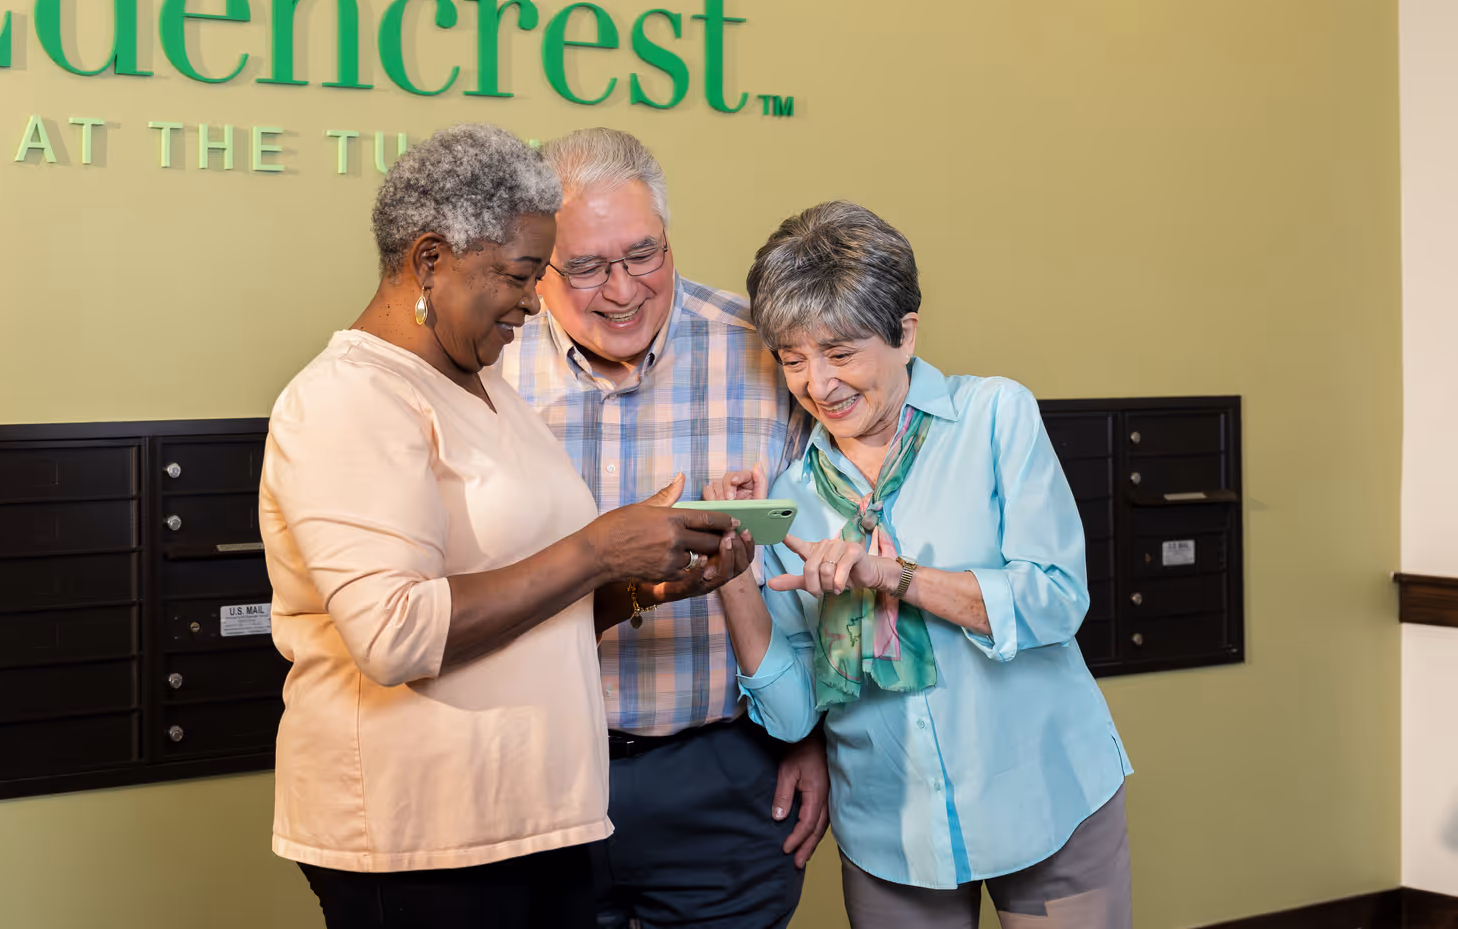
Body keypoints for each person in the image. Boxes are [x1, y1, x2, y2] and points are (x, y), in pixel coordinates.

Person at [259, 124, 752, 929]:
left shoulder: (480, 381)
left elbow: (529, 608)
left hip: (535, 822)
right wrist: (597, 549)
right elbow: (395, 636)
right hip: (423, 839)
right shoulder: (350, 398)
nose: (534, 300)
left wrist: (637, 588)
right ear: (429, 260)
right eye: (524, 274)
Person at [711, 200, 1134, 929]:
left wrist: (892, 577)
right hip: (890, 829)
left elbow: (1055, 599)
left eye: (840, 352)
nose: (818, 384)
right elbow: (787, 717)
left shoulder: (996, 417)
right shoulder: (791, 498)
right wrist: (734, 570)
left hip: (1048, 794)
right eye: (792, 358)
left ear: (906, 333)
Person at [500, 127, 827, 929]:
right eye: (585, 267)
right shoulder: (483, 368)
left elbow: (819, 559)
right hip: (535, 775)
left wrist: (813, 735)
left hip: (724, 775)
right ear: (538, 264)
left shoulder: (767, 351)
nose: (621, 290)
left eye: (643, 254)